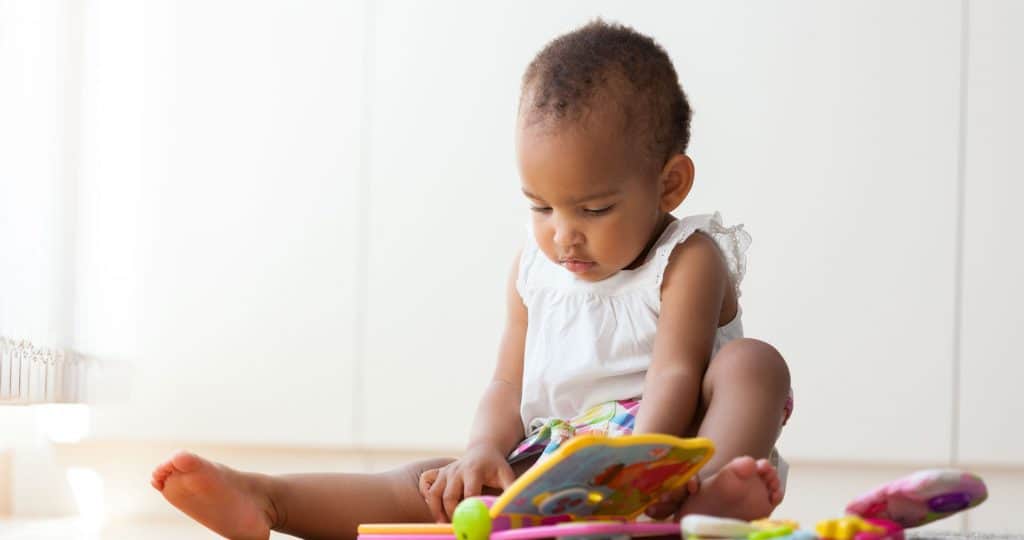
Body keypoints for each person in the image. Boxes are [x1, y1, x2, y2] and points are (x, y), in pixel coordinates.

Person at [150, 20, 792, 540]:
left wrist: (639, 468)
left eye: (594, 210)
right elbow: (507, 382)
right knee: (430, 482)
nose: (563, 234)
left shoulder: (688, 258)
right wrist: (483, 450)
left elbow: (674, 373)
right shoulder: (535, 270)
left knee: (753, 366)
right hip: (562, 464)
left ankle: (707, 504)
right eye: (541, 206)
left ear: (669, 183)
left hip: (669, 455)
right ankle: (269, 500)